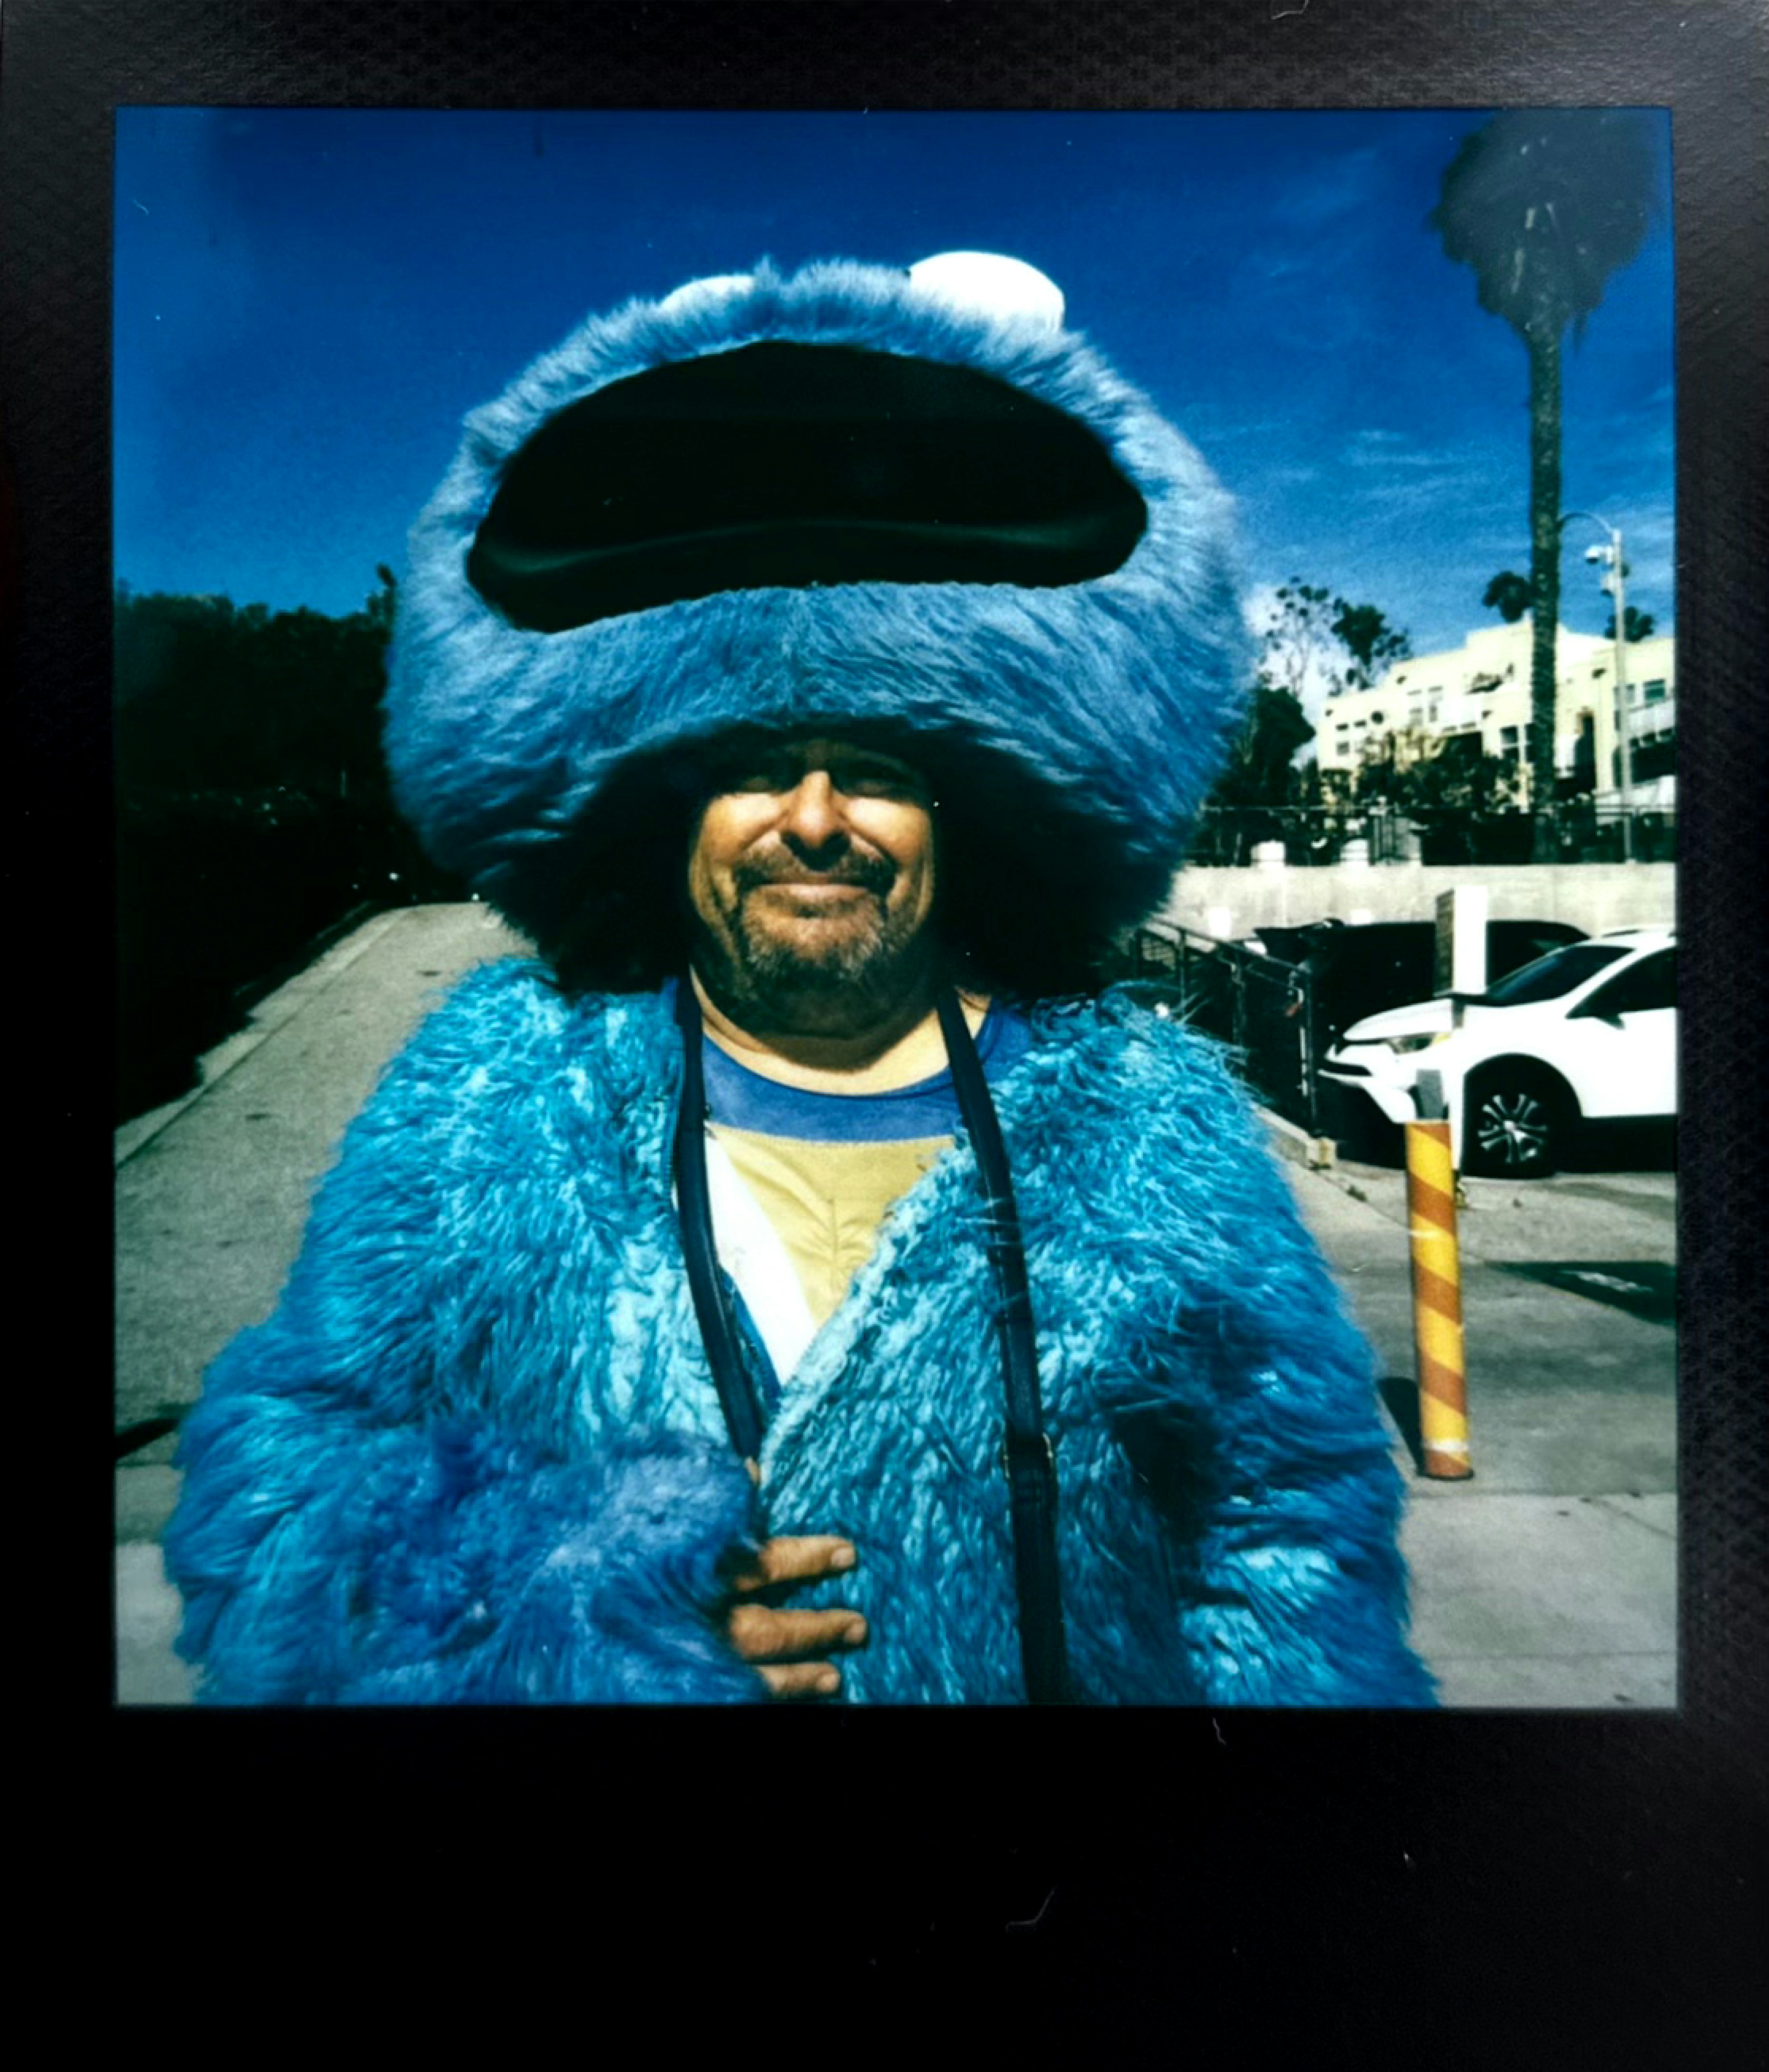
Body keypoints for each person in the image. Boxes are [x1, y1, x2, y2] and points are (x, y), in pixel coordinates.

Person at [165, 252, 1435, 1706]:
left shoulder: (1154, 1129)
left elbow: (1284, 1540)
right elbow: (273, 1508)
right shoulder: (487, 1103)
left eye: (879, 769)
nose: (817, 817)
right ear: (665, 812)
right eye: (755, 765)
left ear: (970, 809)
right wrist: (577, 1603)